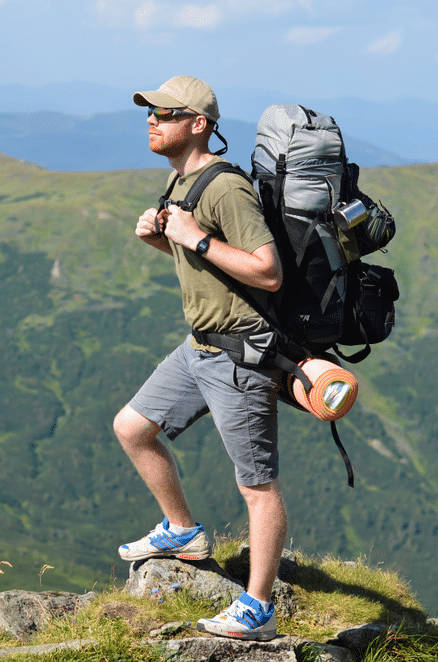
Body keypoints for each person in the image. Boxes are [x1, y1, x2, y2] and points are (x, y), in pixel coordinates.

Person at [113, 75, 286, 642]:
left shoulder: (225, 189)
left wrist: (196, 237)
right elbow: (205, 263)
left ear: (199, 123)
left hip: (239, 355)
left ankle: (258, 607)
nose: (151, 120)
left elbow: (268, 271)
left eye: (164, 112)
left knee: (257, 486)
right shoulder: (178, 181)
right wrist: (163, 240)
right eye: (149, 112)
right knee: (133, 427)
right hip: (199, 348)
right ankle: (183, 530)